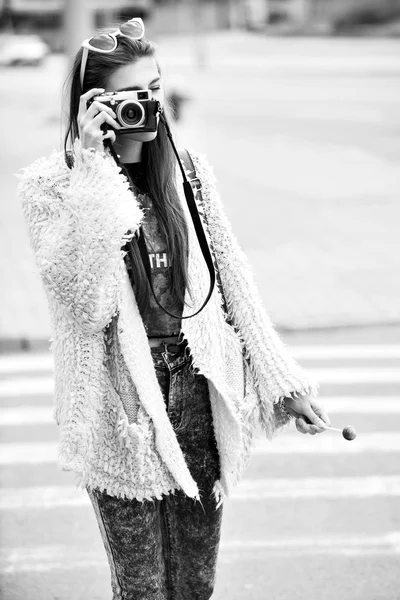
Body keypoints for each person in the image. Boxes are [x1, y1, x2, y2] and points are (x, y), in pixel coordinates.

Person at [17, 18, 331, 600]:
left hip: (197, 390)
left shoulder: (190, 174)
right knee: (142, 590)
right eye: (133, 95)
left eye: (156, 88)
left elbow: (235, 283)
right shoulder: (51, 188)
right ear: (94, 103)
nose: (149, 106)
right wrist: (92, 169)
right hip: (121, 410)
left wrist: (285, 385)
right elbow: (86, 303)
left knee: (194, 585)